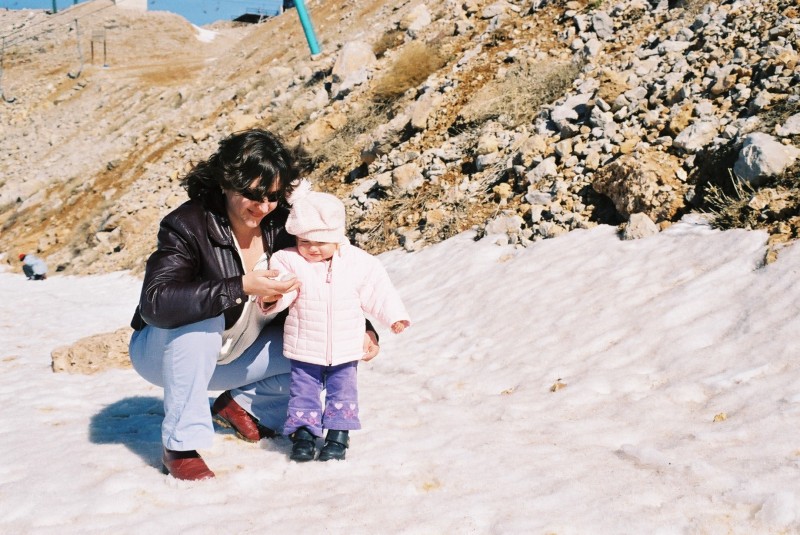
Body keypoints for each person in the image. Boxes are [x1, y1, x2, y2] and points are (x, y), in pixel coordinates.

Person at [127, 129, 381, 481]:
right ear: (226, 182)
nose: (262, 207)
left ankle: (244, 406)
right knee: (202, 319)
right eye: (252, 194)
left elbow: (329, 275)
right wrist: (241, 286)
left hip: (235, 352)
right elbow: (156, 302)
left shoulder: (284, 225)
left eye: (272, 196)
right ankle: (181, 446)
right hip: (166, 353)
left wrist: (362, 327)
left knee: (326, 349)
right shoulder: (187, 224)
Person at [261, 181, 410, 462]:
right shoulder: (288, 260)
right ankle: (303, 434)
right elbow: (283, 289)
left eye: (321, 242)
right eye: (304, 242)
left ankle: (338, 435)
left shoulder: (358, 262)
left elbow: (377, 290)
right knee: (303, 392)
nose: (312, 249)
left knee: (343, 391)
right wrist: (273, 298)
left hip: (345, 345)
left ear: (338, 237)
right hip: (305, 344)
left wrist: (394, 316)